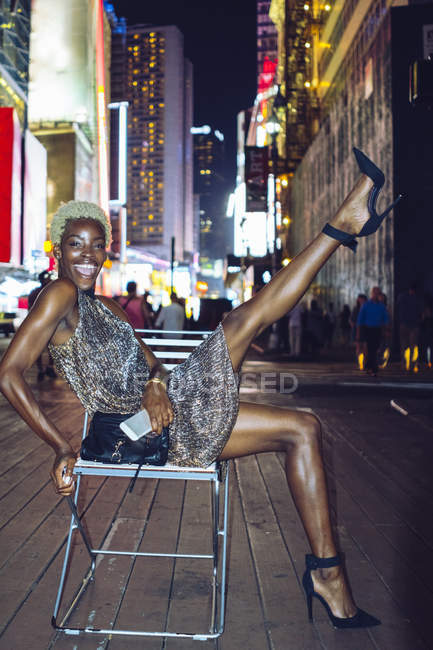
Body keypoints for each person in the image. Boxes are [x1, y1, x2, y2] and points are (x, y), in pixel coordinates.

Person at [0, 165, 383, 630]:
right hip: (138, 432)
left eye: (97, 245)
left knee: (303, 425)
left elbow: (155, 365)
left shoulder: (104, 306)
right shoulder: (58, 294)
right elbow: (9, 374)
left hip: (168, 404)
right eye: (76, 244)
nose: (87, 255)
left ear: (106, 251)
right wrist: (60, 445)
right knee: (246, 327)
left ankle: (329, 577)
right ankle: (343, 223)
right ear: (58, 249)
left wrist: (155, 386)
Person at [27, 270, 57, 380]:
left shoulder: (40, 292)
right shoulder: (41, 292)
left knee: (50, 349)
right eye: (48, 278)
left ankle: (46, 368)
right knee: (39, 350)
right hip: (42, 326)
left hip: (47, 325)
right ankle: (44, 369)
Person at [357, 286, 389, 376]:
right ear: (372, 294)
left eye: (378, 293)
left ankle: (370, 366)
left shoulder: (381, 306)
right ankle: (372, 367)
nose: (376, 295)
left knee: (375, 348)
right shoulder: (366, 305)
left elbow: (385, 319)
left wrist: (387, 330)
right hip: (368, 329)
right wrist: (359, 332)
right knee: (370, 348)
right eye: (375, 293)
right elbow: (360, 320)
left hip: (377, 329)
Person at [396, 285, 422, 372]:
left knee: (405, 346)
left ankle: (405, 365)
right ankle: (411, 364)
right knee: (412, 345)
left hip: (405, 323)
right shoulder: (417, 299)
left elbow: (399, 309)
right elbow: (420, 311)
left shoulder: (402, 297)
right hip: (412, 324)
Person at [350, 294, 367, 370]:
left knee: (365, 346)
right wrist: (354, 326)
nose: (360, 301)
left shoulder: (367, 308)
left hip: (365, 329)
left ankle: (364, 362)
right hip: (357, 329)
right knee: (359, 346)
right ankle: (361, 363)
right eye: (359, 299)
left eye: (362, 299)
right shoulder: (356, 309)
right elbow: (351, 320)